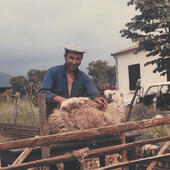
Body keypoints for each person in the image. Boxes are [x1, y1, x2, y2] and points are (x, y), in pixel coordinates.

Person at [39, 44, 107, 117]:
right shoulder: (53, 72)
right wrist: (64, 101)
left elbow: (94, 94)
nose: (74, 62)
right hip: (52, 120)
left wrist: (98, 99)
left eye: (77, 59)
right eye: (71, 58)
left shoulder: (84, 78)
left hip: (74, 121)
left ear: (81, 59)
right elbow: (43, 93)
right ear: (65, 57)